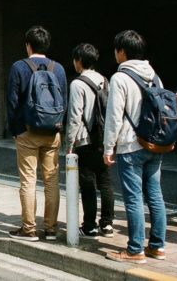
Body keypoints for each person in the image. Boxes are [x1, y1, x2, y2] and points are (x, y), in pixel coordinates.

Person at [103, 30, 167, 264]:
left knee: (133, 199)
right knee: (155, 196)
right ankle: (157, 247)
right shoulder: (155, 76)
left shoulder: (120, 78)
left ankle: (135, 249)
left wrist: (108, 147)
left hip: (130, 146)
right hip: (153, 143)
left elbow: (114, 117)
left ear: (122, 51)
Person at [6, 26, 67, 242]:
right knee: (52, 181)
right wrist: (60, 128)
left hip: (27, 131)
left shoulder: (18, 67)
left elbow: (12, 102)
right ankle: (51, 229)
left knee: (28, 180)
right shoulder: (58, 68)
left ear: (28, 45)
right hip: (53, 132)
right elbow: (64, 102)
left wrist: (15, 130)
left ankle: (29, 229)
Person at [64, 43, 115, 238]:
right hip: (103, 139)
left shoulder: (78, 83)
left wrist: (69, 145)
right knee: (105, 182)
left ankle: (90, 225)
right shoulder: (105, 80)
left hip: (85, 140)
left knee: (87, 184)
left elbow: (75, 117)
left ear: (78, 61)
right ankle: (108, 224)